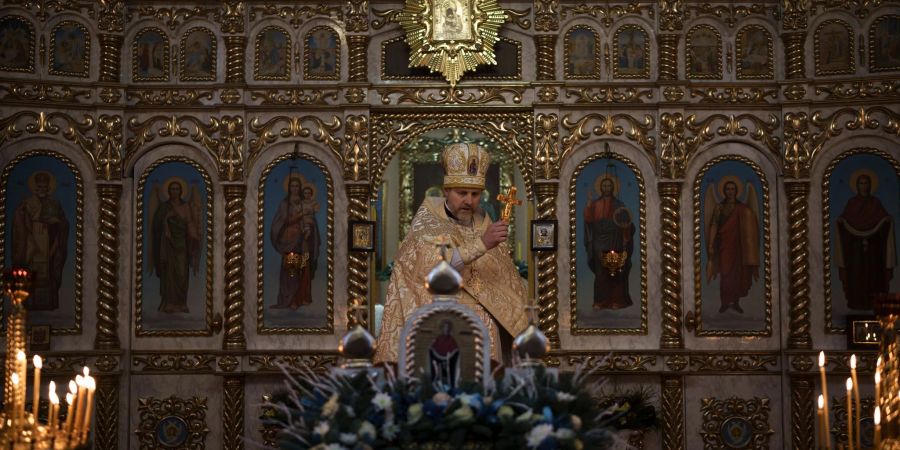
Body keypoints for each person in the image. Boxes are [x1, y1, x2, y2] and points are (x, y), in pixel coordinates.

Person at [376, 142, 528, 363]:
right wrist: (482, 244)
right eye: (462, 193)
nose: (469, 200)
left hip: (486, 326)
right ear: (446, 190)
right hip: (444, 321)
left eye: (475, 194)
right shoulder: (428, 222)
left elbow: (504, 278)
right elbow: (432, 271)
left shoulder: (484, 222)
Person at [835, 172, 896, 310]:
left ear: (871, 185)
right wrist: (841, 222)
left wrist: (886, 221)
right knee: (856, 275)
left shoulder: (875, 203)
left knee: (874, 274)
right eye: (861, 183)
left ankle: (874, 303)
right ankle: (857, 302)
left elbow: (884, 220)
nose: (864, 186)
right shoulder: (852, 203)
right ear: (857, 186)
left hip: (874, 248)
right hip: (855, 249)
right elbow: (845, 220)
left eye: (866, 183)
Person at [12, 171, 69, 310]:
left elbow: (62, 224)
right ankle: (29, 302)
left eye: (44, 187)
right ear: (35, 187)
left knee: (49, 270)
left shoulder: (54, 203)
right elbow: (19, 221)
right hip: (31, 241)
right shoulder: (28, 202)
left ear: (49, 188)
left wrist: (58, 228)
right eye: (39, 187)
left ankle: (48, 303)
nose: (41, 190)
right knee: (30, 268)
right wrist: (22, 214)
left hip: (48, 240)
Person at [705, 179, 760, 313]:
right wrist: (711, 244)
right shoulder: (719, 207)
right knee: (725, 274)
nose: (730, 191)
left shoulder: (743, 208)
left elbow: (751, 229)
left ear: (736, 191)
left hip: (739, 247)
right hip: (724, 246)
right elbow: (713, 226)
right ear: (724, 191)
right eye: (728, 189)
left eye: (732, 189)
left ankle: (735, 303)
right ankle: (724, 302)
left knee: (737, 275)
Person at [149, 179, 201, 314]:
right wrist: (166, 219)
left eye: (177, 189)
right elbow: (156, 226)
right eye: (172, 189)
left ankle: (182, 303)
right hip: (167, 245)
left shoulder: (186, 206)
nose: (175, 191)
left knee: (182, 273)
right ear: (168, 191)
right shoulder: (164, 207)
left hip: (182, 244)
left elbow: (190, 223)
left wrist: (194, 237)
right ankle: (169, 304)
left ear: (181, 191)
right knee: (169, 273)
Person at [584, 175, 635, 309]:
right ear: (600, 188)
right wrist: (588, 205)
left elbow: (626, 221)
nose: (607, 188)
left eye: (609, 186)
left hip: (615, 239)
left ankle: (616, 301)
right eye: (604, 186)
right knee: (601, 272)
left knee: (616, 269)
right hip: (599, 241)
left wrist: (625, 234)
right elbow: (588, 221)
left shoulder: (619, 204)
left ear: (613, 188)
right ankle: (600, 301)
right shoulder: (595, 204)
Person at [271, 176, 321, 309]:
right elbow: (285, 220)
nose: (295, 188)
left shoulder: (304, 202)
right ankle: (289, 299)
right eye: (292, 186)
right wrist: (300, 215)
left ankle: (301, 298)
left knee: (304, 267)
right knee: (291, 270)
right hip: (291, 241)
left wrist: (309, 228)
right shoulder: (284, 203)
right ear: (288, 188)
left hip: (303, 240)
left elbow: (311, 219)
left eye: (297, 186)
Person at [429, 320, 460, 388]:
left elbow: (455, 350)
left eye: (448, 327)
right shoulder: (438, 339)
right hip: (438, 365)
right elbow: (433, 349)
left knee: (447, 375)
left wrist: (450, 357)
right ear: (442, 328)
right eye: (445, 327)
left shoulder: (452, 340)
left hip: (449, 363)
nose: (446, 329)